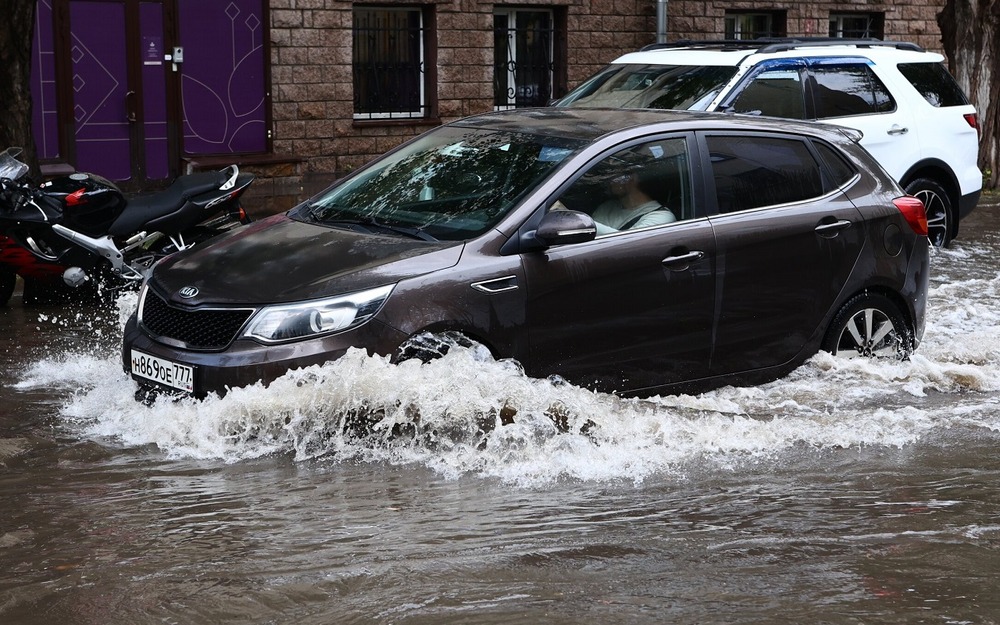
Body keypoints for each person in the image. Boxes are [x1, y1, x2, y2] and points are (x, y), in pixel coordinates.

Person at [590, 170, 676, 235]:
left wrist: (584, 223)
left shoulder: (662, 217)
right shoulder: (607, 207)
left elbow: (626, 244)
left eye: (616, 175)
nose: (610, 180)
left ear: (634, 178)